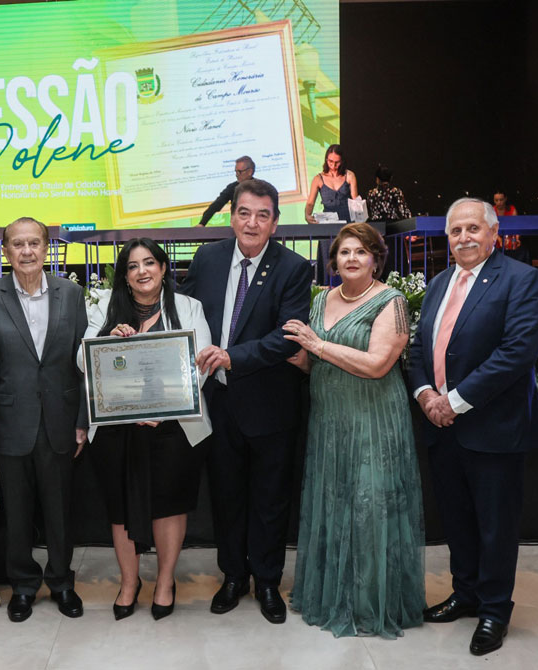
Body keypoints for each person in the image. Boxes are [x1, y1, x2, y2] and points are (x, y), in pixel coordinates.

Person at [408, 197, 538, 656]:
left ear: (493, 233)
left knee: (495, 526)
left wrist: (454, 402)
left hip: (493, 429)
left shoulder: (521, 280)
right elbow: (418, 348)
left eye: (473, 228)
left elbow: (517, 352)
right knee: (457, 520)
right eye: (455, 231)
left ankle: (493, 610)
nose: (464, 237)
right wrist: (425, 395)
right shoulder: (439, 283)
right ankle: (465, 594)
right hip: (442, 427)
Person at [282, 223, 426, 638]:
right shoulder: (321, 299)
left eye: (361, 251)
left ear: (375, 259)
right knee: (333, 504)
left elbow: (378, 364)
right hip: (329, 420)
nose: (351, 259)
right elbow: (310, 361)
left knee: (369, 509)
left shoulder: (391, 301)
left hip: (373, 420)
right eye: (344, 252)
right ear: (334, 260)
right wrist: (287, 352)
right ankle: (334, 597)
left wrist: (317, 346)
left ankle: (370, 606)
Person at [179, 178, 313, 624]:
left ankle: (268, 581)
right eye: (244, 213)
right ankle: (234, 576)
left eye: (262, 215)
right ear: (231, 216)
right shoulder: (208, 258)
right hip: (217, 404)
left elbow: (287, 336)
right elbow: (185, 314)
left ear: (275, 222)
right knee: (227, 496)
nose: (252, 223)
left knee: (271, 499)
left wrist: (231, 356)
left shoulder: (294, 268)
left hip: (271, 404)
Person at [79, 238, 213, 621]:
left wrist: (164, 409)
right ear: (124, 275)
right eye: (133, 265)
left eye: (150, 262)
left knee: (170, 506)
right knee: (120, 507)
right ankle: (129, 582)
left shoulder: (188, 307)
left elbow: (201, 363)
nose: (142, 271)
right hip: (116, 427)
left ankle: (166, 581)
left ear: (164, 268)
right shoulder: (103, 306)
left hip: (175, 427)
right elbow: (82, 359)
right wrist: (105, 341)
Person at [0, 217, 89, 623]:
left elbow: (81, 362)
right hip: (10, 422)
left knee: (60, 509)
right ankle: (22, 584)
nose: (26, 251)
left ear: (46, 248)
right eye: (18, 244)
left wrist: (83, 418)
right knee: (17, 512)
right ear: (6, 251)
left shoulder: (71, 293)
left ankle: (61, 581)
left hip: (61, 418)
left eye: (34, 243)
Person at [304, 144, 358, 224]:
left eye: (337, 162)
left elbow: (355, 200)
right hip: (328, 221)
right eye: (330, 161)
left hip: (348, 220)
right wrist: (307, 215)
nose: (333, 165)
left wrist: (359, 218)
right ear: (326, 159)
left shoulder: (349, 176)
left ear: (342, 161)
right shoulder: (318, 179)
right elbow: (310, 203)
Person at [196, 156, 256, 226]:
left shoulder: (262, 188)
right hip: (237, 227)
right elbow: (216, 204)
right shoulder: (232, 188)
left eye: (239, 172)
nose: (236, 175)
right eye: (236, 171)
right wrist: (202, 223)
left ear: (250, 172)